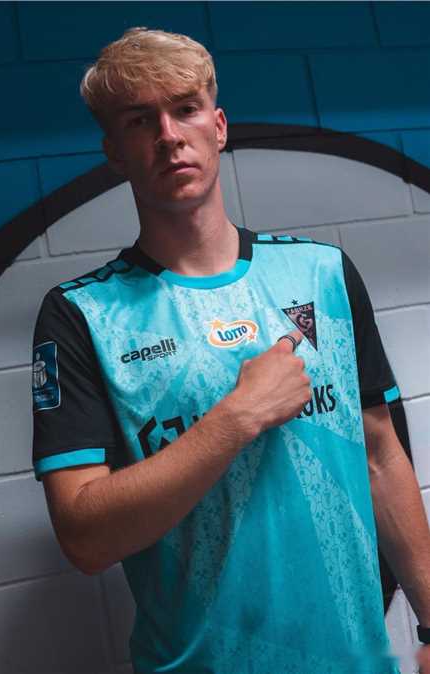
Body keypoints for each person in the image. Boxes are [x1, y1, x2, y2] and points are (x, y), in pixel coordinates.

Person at [32, 27, 430, 674]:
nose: (169, 134)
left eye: (185, 109)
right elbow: (85, 539)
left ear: (218, 127)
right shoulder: (81, 314)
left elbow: (381, 456)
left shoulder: (322, 272)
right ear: (115, 153)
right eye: (140, 120)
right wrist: (237, 417)